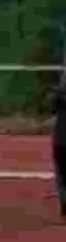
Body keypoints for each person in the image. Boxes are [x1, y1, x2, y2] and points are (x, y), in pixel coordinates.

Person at [52, 79, 66, 220]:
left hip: (60, 140)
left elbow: (53, 107)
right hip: (60, 140)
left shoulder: (59, 94)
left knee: (61, 176)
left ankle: (64, 205)